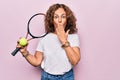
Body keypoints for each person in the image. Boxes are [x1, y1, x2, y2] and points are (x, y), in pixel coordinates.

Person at [17, 3, 81, 80]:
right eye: (56, 17)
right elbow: (37, 61)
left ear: (67, 20)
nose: (60, 20)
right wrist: (25, 52)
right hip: (47, 77)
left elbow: (75, 61)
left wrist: (64, 40)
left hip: (67, 77)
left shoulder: (73, 36)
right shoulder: (44, 37)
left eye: (63, 17)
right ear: (52, 20)